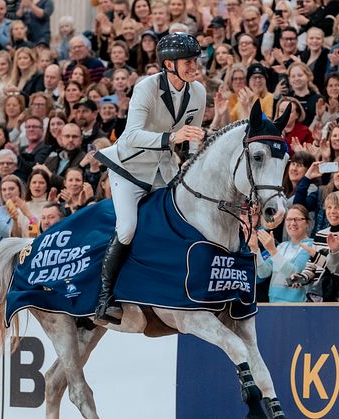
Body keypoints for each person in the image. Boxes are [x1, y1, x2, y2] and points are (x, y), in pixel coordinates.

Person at [93, 32, 205, 325]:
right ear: (169, 65)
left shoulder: (199, 92)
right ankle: (105, 298)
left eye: (195, 60)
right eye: (188, 61)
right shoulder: (146, 88)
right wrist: (172, 137)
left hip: (164, 168)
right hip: (128, 169)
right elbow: (129, 138)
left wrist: (193, 158)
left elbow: (192, 138)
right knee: (128, 228)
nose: (194, 66)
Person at [251, 204, 315, 303]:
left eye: (297, 219)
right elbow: (263, 273)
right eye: (289, 219)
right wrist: (255, 249)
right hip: (273, 301)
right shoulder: (281, 246)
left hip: (296, 305)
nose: (293, 223)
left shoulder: (310, 246)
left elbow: (294, 275)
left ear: (307, 223)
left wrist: (272, 250)